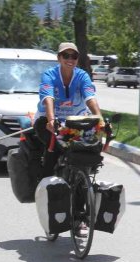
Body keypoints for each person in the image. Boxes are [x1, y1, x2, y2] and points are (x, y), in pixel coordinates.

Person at [33, 42, 103, 176]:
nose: (70, 60)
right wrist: (51, 120)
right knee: (54, 146)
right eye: (66, 55)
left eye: (74, 56)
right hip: (49, 118)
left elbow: (90, 98)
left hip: (76, 120)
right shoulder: (49, 75)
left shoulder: (82, 76)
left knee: (92, 143)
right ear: (59, 58)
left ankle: (85, 177)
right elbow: (48, 98)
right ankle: (47, 180)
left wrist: (100, 119)